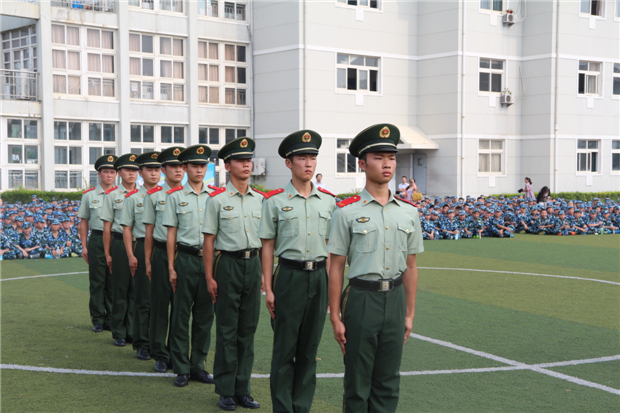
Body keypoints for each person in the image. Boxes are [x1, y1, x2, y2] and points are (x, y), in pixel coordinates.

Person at [327, 124, 424, 413]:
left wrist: (409, 312)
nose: (387, 164)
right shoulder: (347, 212)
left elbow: (411, 265)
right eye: (379, 157)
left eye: (391, 158)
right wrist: (335, 316)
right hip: (361, 299)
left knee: (388, 380)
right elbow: (335, 267)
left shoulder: (409, 212)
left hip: (394, 299)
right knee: (357, 381)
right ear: (362, 163)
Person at [258, 130, 336, 413]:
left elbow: (332, 248)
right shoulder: (275, 201)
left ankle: (301, 407)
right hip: (288, 276)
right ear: (289, 163)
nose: (308, 163)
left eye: (312, 157)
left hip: (319, 276)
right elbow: (267, 246)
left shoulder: (329, 202)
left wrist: (330, 285)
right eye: (302, 157)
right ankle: (283, 408)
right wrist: (268, 285)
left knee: (308, 351)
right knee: (284, 350)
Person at [203, 137, 263, 411]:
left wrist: (263, 273)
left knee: (247, 330)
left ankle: (243, 388)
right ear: (228, 166)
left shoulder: (261, 200)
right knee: (227, 330)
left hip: (253, 265)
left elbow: (266, 240)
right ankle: (226, 389)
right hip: (227, 265)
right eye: (240, 161)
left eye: (248, 160)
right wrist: (209, 277)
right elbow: (209, 241)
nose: (246, 165)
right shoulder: (216, 200)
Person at [162, 144, 215, 388]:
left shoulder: (215, 195)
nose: (199, 170)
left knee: (205, 316)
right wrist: (172, 267)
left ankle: (198, 366)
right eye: (194, 165)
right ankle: (181, 367)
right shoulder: (175, 197)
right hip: (184, 259)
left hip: (208, 261)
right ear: (185, 168)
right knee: (181, 315)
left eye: (203, 165)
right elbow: (171, 234)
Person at [142, 146, 185, 373]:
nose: (178, 170)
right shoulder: (155, 196)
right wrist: (148, 261)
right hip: (160, 252)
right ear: (164, 169)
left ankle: (178, 353)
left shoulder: (192, 194)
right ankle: (160, 352)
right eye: (172, 166)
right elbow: (149, 232)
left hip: (185, 254)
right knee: (160, 304)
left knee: (182, 307)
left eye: (180, 166)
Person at [120, 151, 162, 361]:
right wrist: (130, 254)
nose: (154, 173)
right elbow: (127, 228)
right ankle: (142, 343)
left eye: (157, 169)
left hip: (164, 247)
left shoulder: (169, 195)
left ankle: (158, 342)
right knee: (143, 298)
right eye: (149, 169)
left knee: (162, 300)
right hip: (142, 245)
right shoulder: (133, 198)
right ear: (141, 172)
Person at [100, 154, 139, 347]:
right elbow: (107, 228)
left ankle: (132, 329)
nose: (131, 173)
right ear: (119, 172)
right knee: (120, 288)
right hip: (119, 244)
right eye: (127, 170)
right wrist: (108, 254)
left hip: (139, 244)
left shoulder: (144, 194)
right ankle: (119, 331)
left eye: (134, 170)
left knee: (136, 289)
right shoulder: (113, 195)